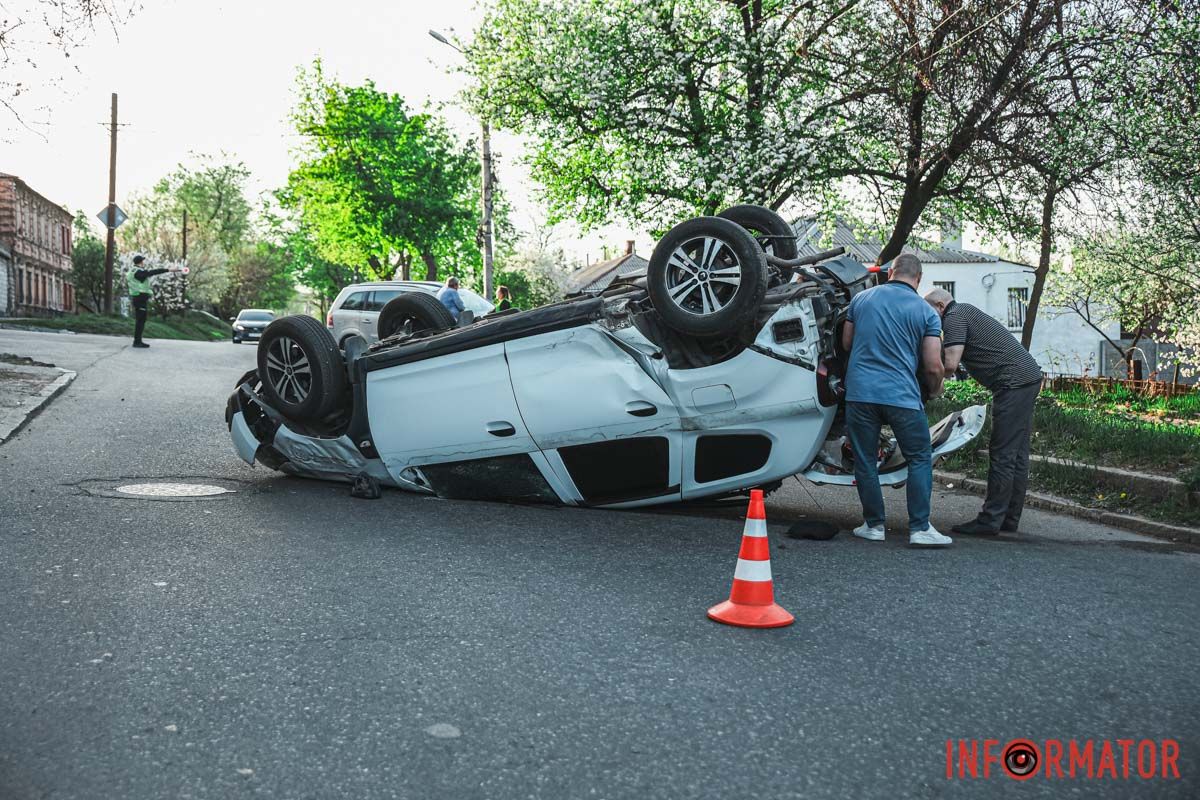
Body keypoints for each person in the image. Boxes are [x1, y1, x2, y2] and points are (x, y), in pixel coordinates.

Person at [842, 253, 952, 547]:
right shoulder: (926, 312)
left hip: (860, 393)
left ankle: (874, 525)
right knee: (918, 457)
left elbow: (847, 343)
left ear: (890, 272)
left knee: (865, 460)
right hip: (901, 396)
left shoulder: (861, 300)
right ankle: (919, 528)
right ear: (918, 278)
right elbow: (932, 365)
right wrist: (936, 386)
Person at [924, 288, 1044, 535]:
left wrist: (928, 370)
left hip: (1014, 383)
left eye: (929, 311)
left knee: (1002, 453)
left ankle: (989, 521)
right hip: (1026, 378)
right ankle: (1008, 519)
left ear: (939, 305)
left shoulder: (955, 316)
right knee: (1016, 454)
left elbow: (950, 364)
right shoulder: (965, 311)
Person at [127, 255, 183, 348]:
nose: (143, 263)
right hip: (140, 297)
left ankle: (138, 341)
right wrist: (168, 270)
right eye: (142, 261)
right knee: (141, 320)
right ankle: (137, 342)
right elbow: (151, 273)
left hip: (137, 296)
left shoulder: (131, 271)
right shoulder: (138, 271)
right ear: (140, 262)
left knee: (140, 320)